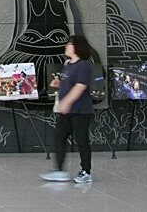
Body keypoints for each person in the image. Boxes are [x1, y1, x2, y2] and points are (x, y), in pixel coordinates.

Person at [40, 35, 94, 184]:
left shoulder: (84, 65)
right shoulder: (68, 64)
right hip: (67, 112)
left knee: (82, 140)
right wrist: (59, 83)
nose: (66, 47)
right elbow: (69, 83)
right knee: (59, 137)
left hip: (81, 111)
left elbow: (80, 86)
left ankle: (86, 172)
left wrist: (67, 102)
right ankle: (59, 170)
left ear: (77, 47)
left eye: (69, 44)